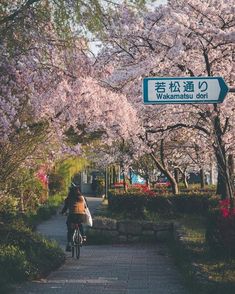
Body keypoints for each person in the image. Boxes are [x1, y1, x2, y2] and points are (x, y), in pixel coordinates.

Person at [61, 183, 88, 252]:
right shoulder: (82, 197)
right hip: (81, 215)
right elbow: (86, 206)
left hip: (72, 215)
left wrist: (62, 213)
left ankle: (69, 243)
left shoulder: (69, 198)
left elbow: (65, 207)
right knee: (79, 224)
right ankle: (83, 236)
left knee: (70, 228)